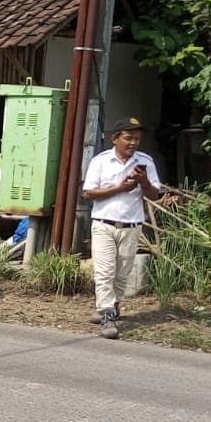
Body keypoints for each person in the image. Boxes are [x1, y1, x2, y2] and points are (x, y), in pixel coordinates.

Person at [81, 115, 164, 340]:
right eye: (128, 138)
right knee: (104, 271)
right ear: (115, 139)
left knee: (122, 273)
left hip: (131, 225)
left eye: (136, 139)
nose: (133, 143)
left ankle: (113, 305)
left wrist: (143, 181)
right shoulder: (100, 161)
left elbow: (155, 195)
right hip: (103, 224)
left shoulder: (144, 161)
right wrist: (119, 188)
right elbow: (88, 193)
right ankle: (107, 314)